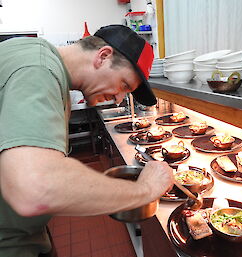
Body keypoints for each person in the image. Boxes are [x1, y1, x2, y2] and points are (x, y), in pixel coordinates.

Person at [0, 24, 174, 257]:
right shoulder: (38, 70)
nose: (120, 97)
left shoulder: (41, 61)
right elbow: (35, 190)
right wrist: (146, 189)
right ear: (103, 56)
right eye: (124, 85)